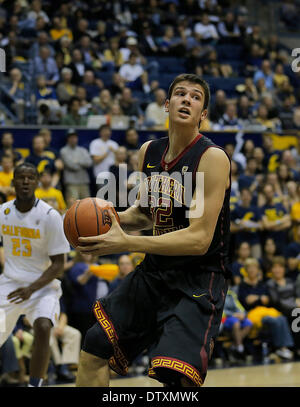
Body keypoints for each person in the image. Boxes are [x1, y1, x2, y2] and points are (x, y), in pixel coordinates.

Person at [75, 73, 231, 387]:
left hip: (196, 281)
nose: (186, 99)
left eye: (195, 97)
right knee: (94, 345)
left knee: (177, 379)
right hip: (154, 273)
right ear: (166, 104)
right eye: (180, 94)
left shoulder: (212, 158)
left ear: (203, 114)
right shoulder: (149, 151)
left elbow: (199, 239)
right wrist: (109, 222)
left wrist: (126, 243)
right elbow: (146, 213)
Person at [0, 163, 70, 387]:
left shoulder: (50, 216)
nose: (26, 181)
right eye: (21, 177)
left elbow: (59, 263)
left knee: (42, 326)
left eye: (31, 177)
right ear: (13, 183)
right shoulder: (3, 212)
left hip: (42, 286)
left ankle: (35, 384)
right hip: (10, 284)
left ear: (38, 182)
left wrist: (31, 289)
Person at [59, 129, 93, 201]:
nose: (73, 139)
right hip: (71, 183)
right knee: (73, 207)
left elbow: (89, 162)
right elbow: (72, 166)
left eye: (74, 137)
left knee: (87, 206)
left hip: (84, 182)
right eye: (71, 137)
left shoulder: (83, 150)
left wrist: (77, 161)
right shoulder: (63, 150)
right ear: (67, 139)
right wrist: (82, 162)